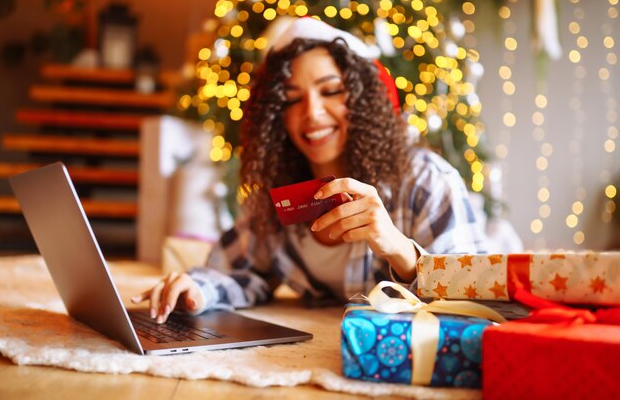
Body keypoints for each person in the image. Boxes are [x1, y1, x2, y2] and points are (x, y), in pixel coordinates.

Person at [132, 18, 488, 323]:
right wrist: (197, 289)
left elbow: (475, 298)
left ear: (363, 101)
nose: (312, 112)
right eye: (291, 98)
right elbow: (240, 272)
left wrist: (401, 252)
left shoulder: (426, 181)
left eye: (331, 91)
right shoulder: (277, 195)